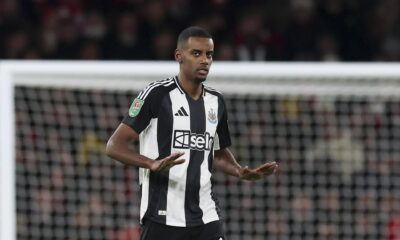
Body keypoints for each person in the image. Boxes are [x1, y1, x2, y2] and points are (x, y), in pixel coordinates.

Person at [106, 26, 279, 240]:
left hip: (206, 215)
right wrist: (151, 163)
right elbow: (114, 146)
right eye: (196, 53)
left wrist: (239, 171)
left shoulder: (217, 101)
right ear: (179, 56)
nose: (205, 60)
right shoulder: (157, 95)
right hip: (162, 216)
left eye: (209, 54)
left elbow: (217, 152)